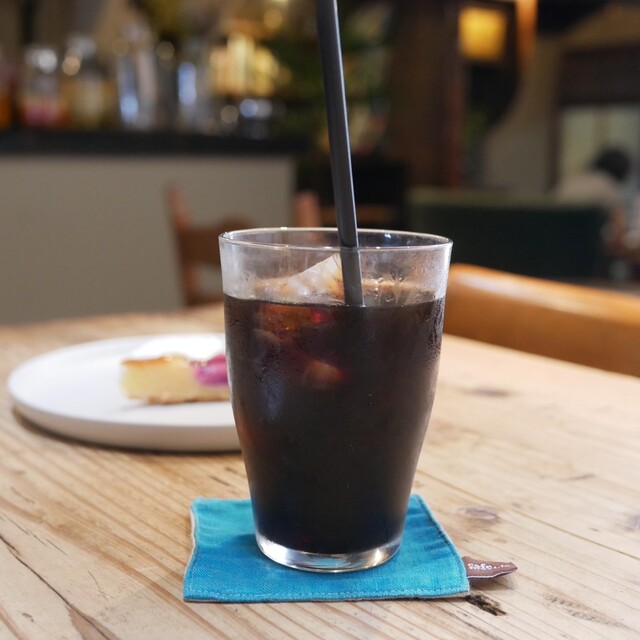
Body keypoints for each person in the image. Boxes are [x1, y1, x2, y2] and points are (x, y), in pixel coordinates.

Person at [553, 147, 633, 257]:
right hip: (583, 254)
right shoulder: (609, 187)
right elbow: (620, 232)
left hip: (554, 247)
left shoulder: (572, 182)